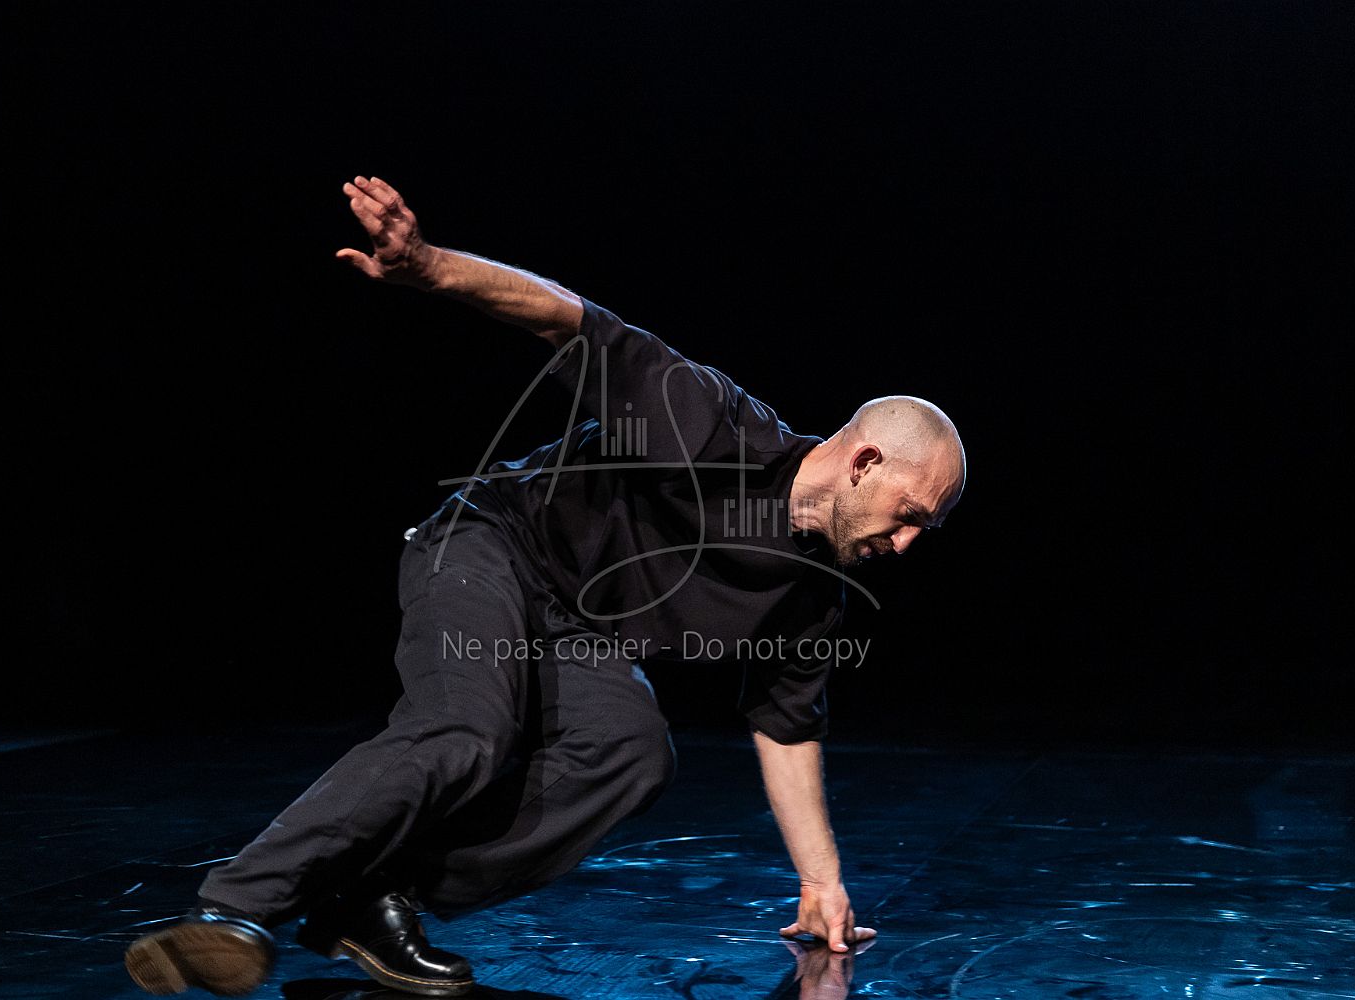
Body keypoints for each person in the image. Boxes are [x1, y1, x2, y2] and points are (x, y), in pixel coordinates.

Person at [124, 176, 966, 997]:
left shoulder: (814, 592)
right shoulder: (712, 425)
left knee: (631, 751)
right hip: (490, 543)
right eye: (909, 516)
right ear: (864, 462)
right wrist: (428, 265)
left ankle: (378, 898)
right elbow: (570, 320)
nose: (904, 544)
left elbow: (786, 729)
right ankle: (234, 909)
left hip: (576, 622)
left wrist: (822, 882)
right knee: (468, 727)